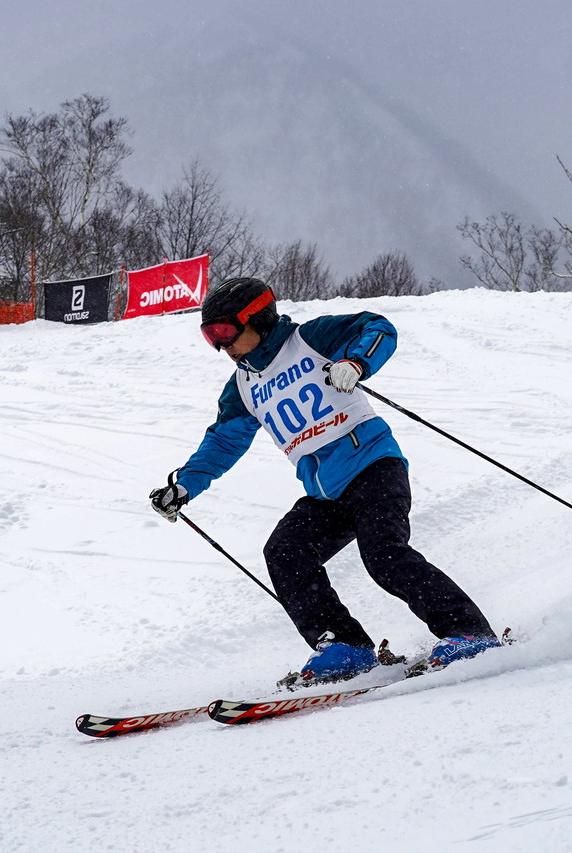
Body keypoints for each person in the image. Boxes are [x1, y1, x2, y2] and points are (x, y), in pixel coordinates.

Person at [149, 277, 499, 683]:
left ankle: (468, 633)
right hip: (325, 492)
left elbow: (378, 327)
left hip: (373, 466)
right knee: (285, 551)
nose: (220, 345)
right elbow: (224, 441)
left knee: (383, 555)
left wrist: (354, 362)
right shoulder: (242, 387)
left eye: (225, 331)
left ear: (256, 319)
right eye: (210, 336)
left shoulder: (309, 339)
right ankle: (346, 647)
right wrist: (186, 485)